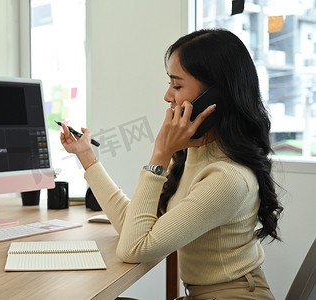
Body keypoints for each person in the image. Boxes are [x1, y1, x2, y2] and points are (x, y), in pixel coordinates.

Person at [60, 28, 283, 300]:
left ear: (214, 96)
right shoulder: (198, 153)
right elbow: (135, 227)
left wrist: (161, 153)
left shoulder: (228, 177)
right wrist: (86, 156)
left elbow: (134, 248)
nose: (168, 96)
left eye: (177, 85)